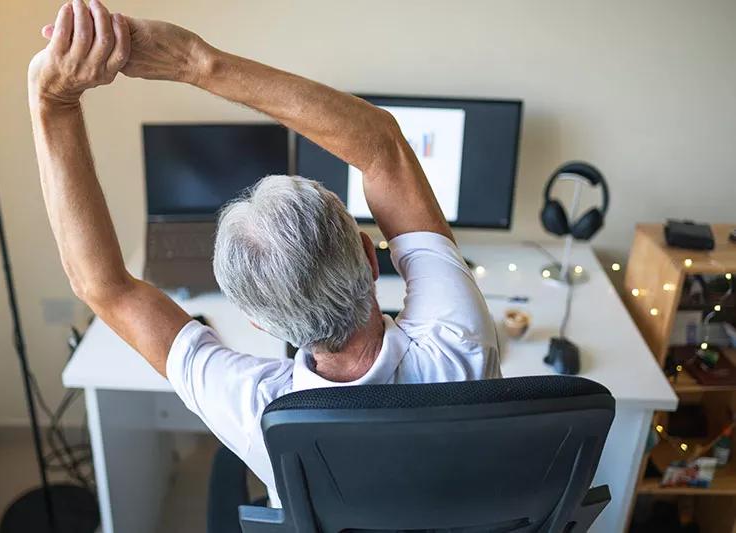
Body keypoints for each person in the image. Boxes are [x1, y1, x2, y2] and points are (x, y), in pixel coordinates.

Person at [29, 0, 501, 509]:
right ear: (369, 258)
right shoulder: (458, 341)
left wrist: (54, 102)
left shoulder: (257, 413)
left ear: (258, 323)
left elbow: (104, 287)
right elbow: (382, 146)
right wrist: (195, 61)